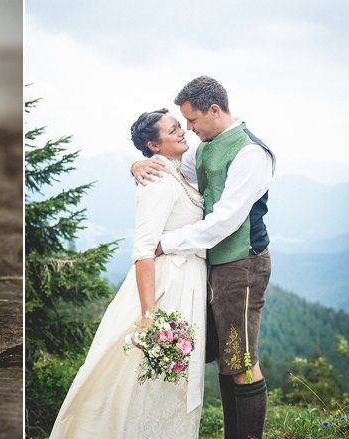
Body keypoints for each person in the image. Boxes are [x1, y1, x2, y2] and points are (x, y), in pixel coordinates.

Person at [131, 76, 275, 439]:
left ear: (214, 110)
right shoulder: (205, 147)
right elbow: (172, 172)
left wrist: (167, 243)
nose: (189, 130)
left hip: (242, 264)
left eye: (192, 121)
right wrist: (137, 165)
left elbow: (223, 222)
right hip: (215, 267)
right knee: (227, 361)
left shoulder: (250, 153)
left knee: (241, 360)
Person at [50, 108, 207, 438]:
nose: (181, 132)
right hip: (167, 288)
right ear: (154, 145)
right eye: (173, 129)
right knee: (146, 378)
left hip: (187, 282)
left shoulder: (177, 172)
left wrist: (133, 165)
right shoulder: (158, 180)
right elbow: (143, 250)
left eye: (180, 126)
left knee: (172, 381)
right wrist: (150, 314)